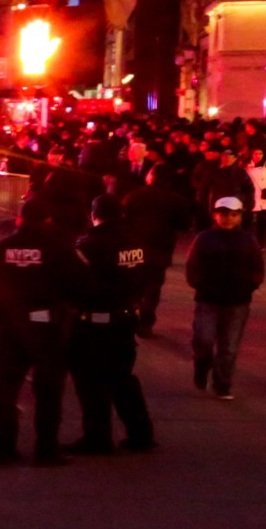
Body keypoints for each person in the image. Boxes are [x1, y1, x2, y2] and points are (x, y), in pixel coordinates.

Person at [0, 196, 90, 465]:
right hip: (46, 326)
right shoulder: (59, 249)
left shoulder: (1, 249)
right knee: (48, 391)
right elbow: (82, 284)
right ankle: (46, 449)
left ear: (19, 219)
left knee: (6, 388)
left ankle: (3, 448)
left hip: (10, 325)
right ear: (48, 221)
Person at [71, 193, 156, 453]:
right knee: (122, 377)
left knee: (90, 380)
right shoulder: (136, 244)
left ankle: (97, 437)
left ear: (93, 214)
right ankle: (140, 434)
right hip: (125, 318)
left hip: (93, 322)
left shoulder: (88, 246)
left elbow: (76, 282)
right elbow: (146, 278)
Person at [185, 196, 265, 399]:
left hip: (237, 301)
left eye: (233, 215)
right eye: (223, 214)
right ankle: (201, 366)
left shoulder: (248, 241)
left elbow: (257, 268)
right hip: (207, 299)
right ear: (215, 215)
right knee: (203, 340)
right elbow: (192, 266)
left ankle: (223, 384)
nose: (227, 218)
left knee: (229, 346)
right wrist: (200, 284)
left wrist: (249, 286)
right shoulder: (204, 239)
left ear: (240, 217)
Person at [122, 161, 199, 335]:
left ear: (151, 177)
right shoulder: (176, 200)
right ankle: (146, 322)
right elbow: (184, 224)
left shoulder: (134, 196)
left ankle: (131, 317)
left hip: (135, 246)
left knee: (133, 284)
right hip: (161, 248)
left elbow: (123, 220)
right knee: (153, 286)